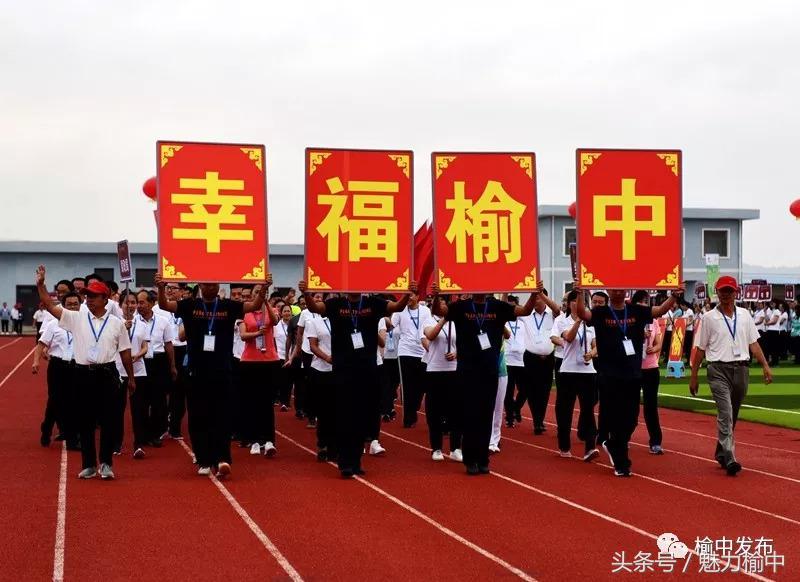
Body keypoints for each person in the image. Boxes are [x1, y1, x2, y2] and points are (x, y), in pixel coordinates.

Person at [156, 272, 269, 478]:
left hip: (222, 370)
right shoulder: (189, 305)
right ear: (200, 284)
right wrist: (161, 288)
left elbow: (252, 306)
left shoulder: (228, 306)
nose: (210, 287)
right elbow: (165, 306)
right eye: (207, 283)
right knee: (199, 417)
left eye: (214, 283)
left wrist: (263, 288)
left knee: (222, 416)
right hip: (196, 371)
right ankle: (203, 458)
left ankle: (222, 458)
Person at [300, 281, 413, 478]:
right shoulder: (336, 304)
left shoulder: (374, 303)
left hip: (367, 370)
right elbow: (314, 307)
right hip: (343, 370)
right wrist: (307, 293)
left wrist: (407, 293)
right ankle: (344, 462)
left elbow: (396, 307)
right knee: (344, 416)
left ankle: (356, 461)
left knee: (362, 417)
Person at [575, 281, 684, 477]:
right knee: (615, 418)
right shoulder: (601, 313)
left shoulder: (637, 310)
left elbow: (659, 310)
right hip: (609, 375)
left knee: (632, 419)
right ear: (609, 291)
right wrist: (580, 293)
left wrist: (674, 296)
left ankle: (613, 444)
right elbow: (583, 314)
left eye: (621, 288)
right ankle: (622, 463)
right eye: (614, 289)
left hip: (632, 374)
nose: (617, 291)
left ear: (626, 290)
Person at [36, 266, 135, 480]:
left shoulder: (117, 324)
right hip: (82, 374)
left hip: (107, 374)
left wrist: (132, 378)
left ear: (105, 299)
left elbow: (126, 353)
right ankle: (89, 464)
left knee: (108, 421)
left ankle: (106, 463)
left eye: (93, 296)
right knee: (85, 421)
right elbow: (51, 306)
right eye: (87, 296)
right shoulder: (77, 318)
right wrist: (41, 285)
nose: (88, 299)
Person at [432, 284, 539, 475]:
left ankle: (483, 458)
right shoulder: (461, 307)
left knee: (486, 414)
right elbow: (440, 310)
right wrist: (436, 295)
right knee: (470, 414)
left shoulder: (497, 306)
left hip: (490, 370)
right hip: (467, 370)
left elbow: (524, 311)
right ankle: (470, 458)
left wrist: (534, 294)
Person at [690, 276, 772, 476]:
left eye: (729, 291)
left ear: (736, 292)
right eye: (722, 291)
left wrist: (765, 365)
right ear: (716, 292)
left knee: (732, 414)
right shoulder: (708, 317)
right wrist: (694, 375)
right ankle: (730, 457)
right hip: (718, 369)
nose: (726, 295)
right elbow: (700, 348)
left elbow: (753, 343)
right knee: (725, 413)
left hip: (742, 369)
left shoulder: (745, 315)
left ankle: (721, 452)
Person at [551, 290, 599, 461]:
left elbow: (596, 345)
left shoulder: (591, 322)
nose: (578, 304)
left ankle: (590, 447)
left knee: (588, 410)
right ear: (571, 303)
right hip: (568, 371)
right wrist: (578, 322)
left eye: (582, 301)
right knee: (565, 410)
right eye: (575, 301)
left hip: (588, 371)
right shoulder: (562, 320)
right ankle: (564, 445)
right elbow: (568, 338)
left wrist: (592, 354)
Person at [32, 291, 82, 449]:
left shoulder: (85, 323)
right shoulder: (53, 324)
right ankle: (46, 428)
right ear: (63, 306)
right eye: (70, 304)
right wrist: (36, 362)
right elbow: (41, 344)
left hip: (77, 366)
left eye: (76, 304)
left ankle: (72, 439)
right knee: (55, 400)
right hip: (58, 367)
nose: (73, 306)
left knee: (75, 401)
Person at [238, 287, 280, 457]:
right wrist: (257, 333)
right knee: (252, 402)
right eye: (256, 292)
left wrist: (266, 303)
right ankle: (254, 440)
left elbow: (276, 321)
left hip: (269, 360)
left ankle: (269, 440)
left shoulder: (272, 310)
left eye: (262, 292)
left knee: (267, 402)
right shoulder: (245, 313)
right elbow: (243, 335)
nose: (258, 295)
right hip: (250, 361)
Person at [134, 290, 176, 452]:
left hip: (158, 362)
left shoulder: (163, 321)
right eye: (138, 302)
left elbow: (168, 344)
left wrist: (172, 366)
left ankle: (155, 434)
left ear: (152, 304)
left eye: (142, 302)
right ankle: (142, 435)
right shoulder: (133, 322)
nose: (139, 306)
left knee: (158, 401)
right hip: (140, 361)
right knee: (141, 400)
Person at [422, 296, 462, 462]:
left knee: (456, 411)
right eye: (439, 304)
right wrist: (444, 320)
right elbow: (430, 336)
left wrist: (456, 354)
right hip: (434, 370)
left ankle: (455, 448)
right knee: (434, 411)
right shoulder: (428, 319)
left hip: (453, 369)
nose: (442, 306)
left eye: (445, 303)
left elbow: (463, 343)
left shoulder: (456, 322)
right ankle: (436, 448)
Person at [518, 290, 561, 435]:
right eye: (534, 298)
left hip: (548, 359)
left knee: (545, 390)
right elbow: (513, 310)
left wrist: (541, 294)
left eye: (538, 298)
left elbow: (557, 309)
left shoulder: (552, 315)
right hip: (531, 357)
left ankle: (540, 418)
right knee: (532, 390)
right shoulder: (527, 315)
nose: (536, 300)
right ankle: (537, 421)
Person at [116, 290, 149, 457]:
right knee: (117, 409)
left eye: (133, 302)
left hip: (138, 370)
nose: (130, 306)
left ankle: (139, 444)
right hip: (119, 370)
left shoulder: (142, 324)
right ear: (120, 305)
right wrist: (123, 328)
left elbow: (145, 346)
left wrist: (139, 353)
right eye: (126, 303)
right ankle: (116, 443)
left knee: (139, 409)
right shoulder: (114, 323)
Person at [632, 290, 665, 454]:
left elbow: (659, 342)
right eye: (640, 302)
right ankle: (623, 436)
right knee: (631, 406)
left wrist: (655, 348)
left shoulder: (653, 321)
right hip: (634, 368)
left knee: (651, 407)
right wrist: (638, 334)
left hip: (651, 368)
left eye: (646, 301)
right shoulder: (629, 320)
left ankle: (656, 441)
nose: (644, 305)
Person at [392, 291, 431, 428]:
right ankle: (409, 418)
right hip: (405, 351)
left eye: (411, 295)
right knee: (407, 385)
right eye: (406, 296)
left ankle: (414, 407)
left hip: (421, 352)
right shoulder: (400, 311)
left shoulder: (425, 311)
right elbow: (391, 325)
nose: (409, 298)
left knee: (421, 385)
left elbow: (429, 327)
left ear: (418, 296)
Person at [305, 311, 336, 461]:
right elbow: (313, 345)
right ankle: (323, 445)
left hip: (340, 370)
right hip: (320, 370)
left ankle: (336, 445)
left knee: (338, 410)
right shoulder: (314, 322)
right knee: (324, 410)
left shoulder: (343, 320)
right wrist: (327, 358)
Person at [502, 296, 525, 428]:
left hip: (522, 361)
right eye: (508, 306)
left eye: (513, 306)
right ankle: (510, 417)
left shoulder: (523, 323)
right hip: (507, 360)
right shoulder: (503, 322)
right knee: (508, 391)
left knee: (525, 389)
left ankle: (516, 408)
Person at [274, 304, 294, 411]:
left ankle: (286, 401)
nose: (287, 313)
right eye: (285, 311)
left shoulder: (295, 325)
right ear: (281, 313)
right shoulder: (276, 327)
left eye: (288, 311)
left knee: (290, 380)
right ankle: (283, 402)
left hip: (292, 356)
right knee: (283, 380)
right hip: (280, 356)